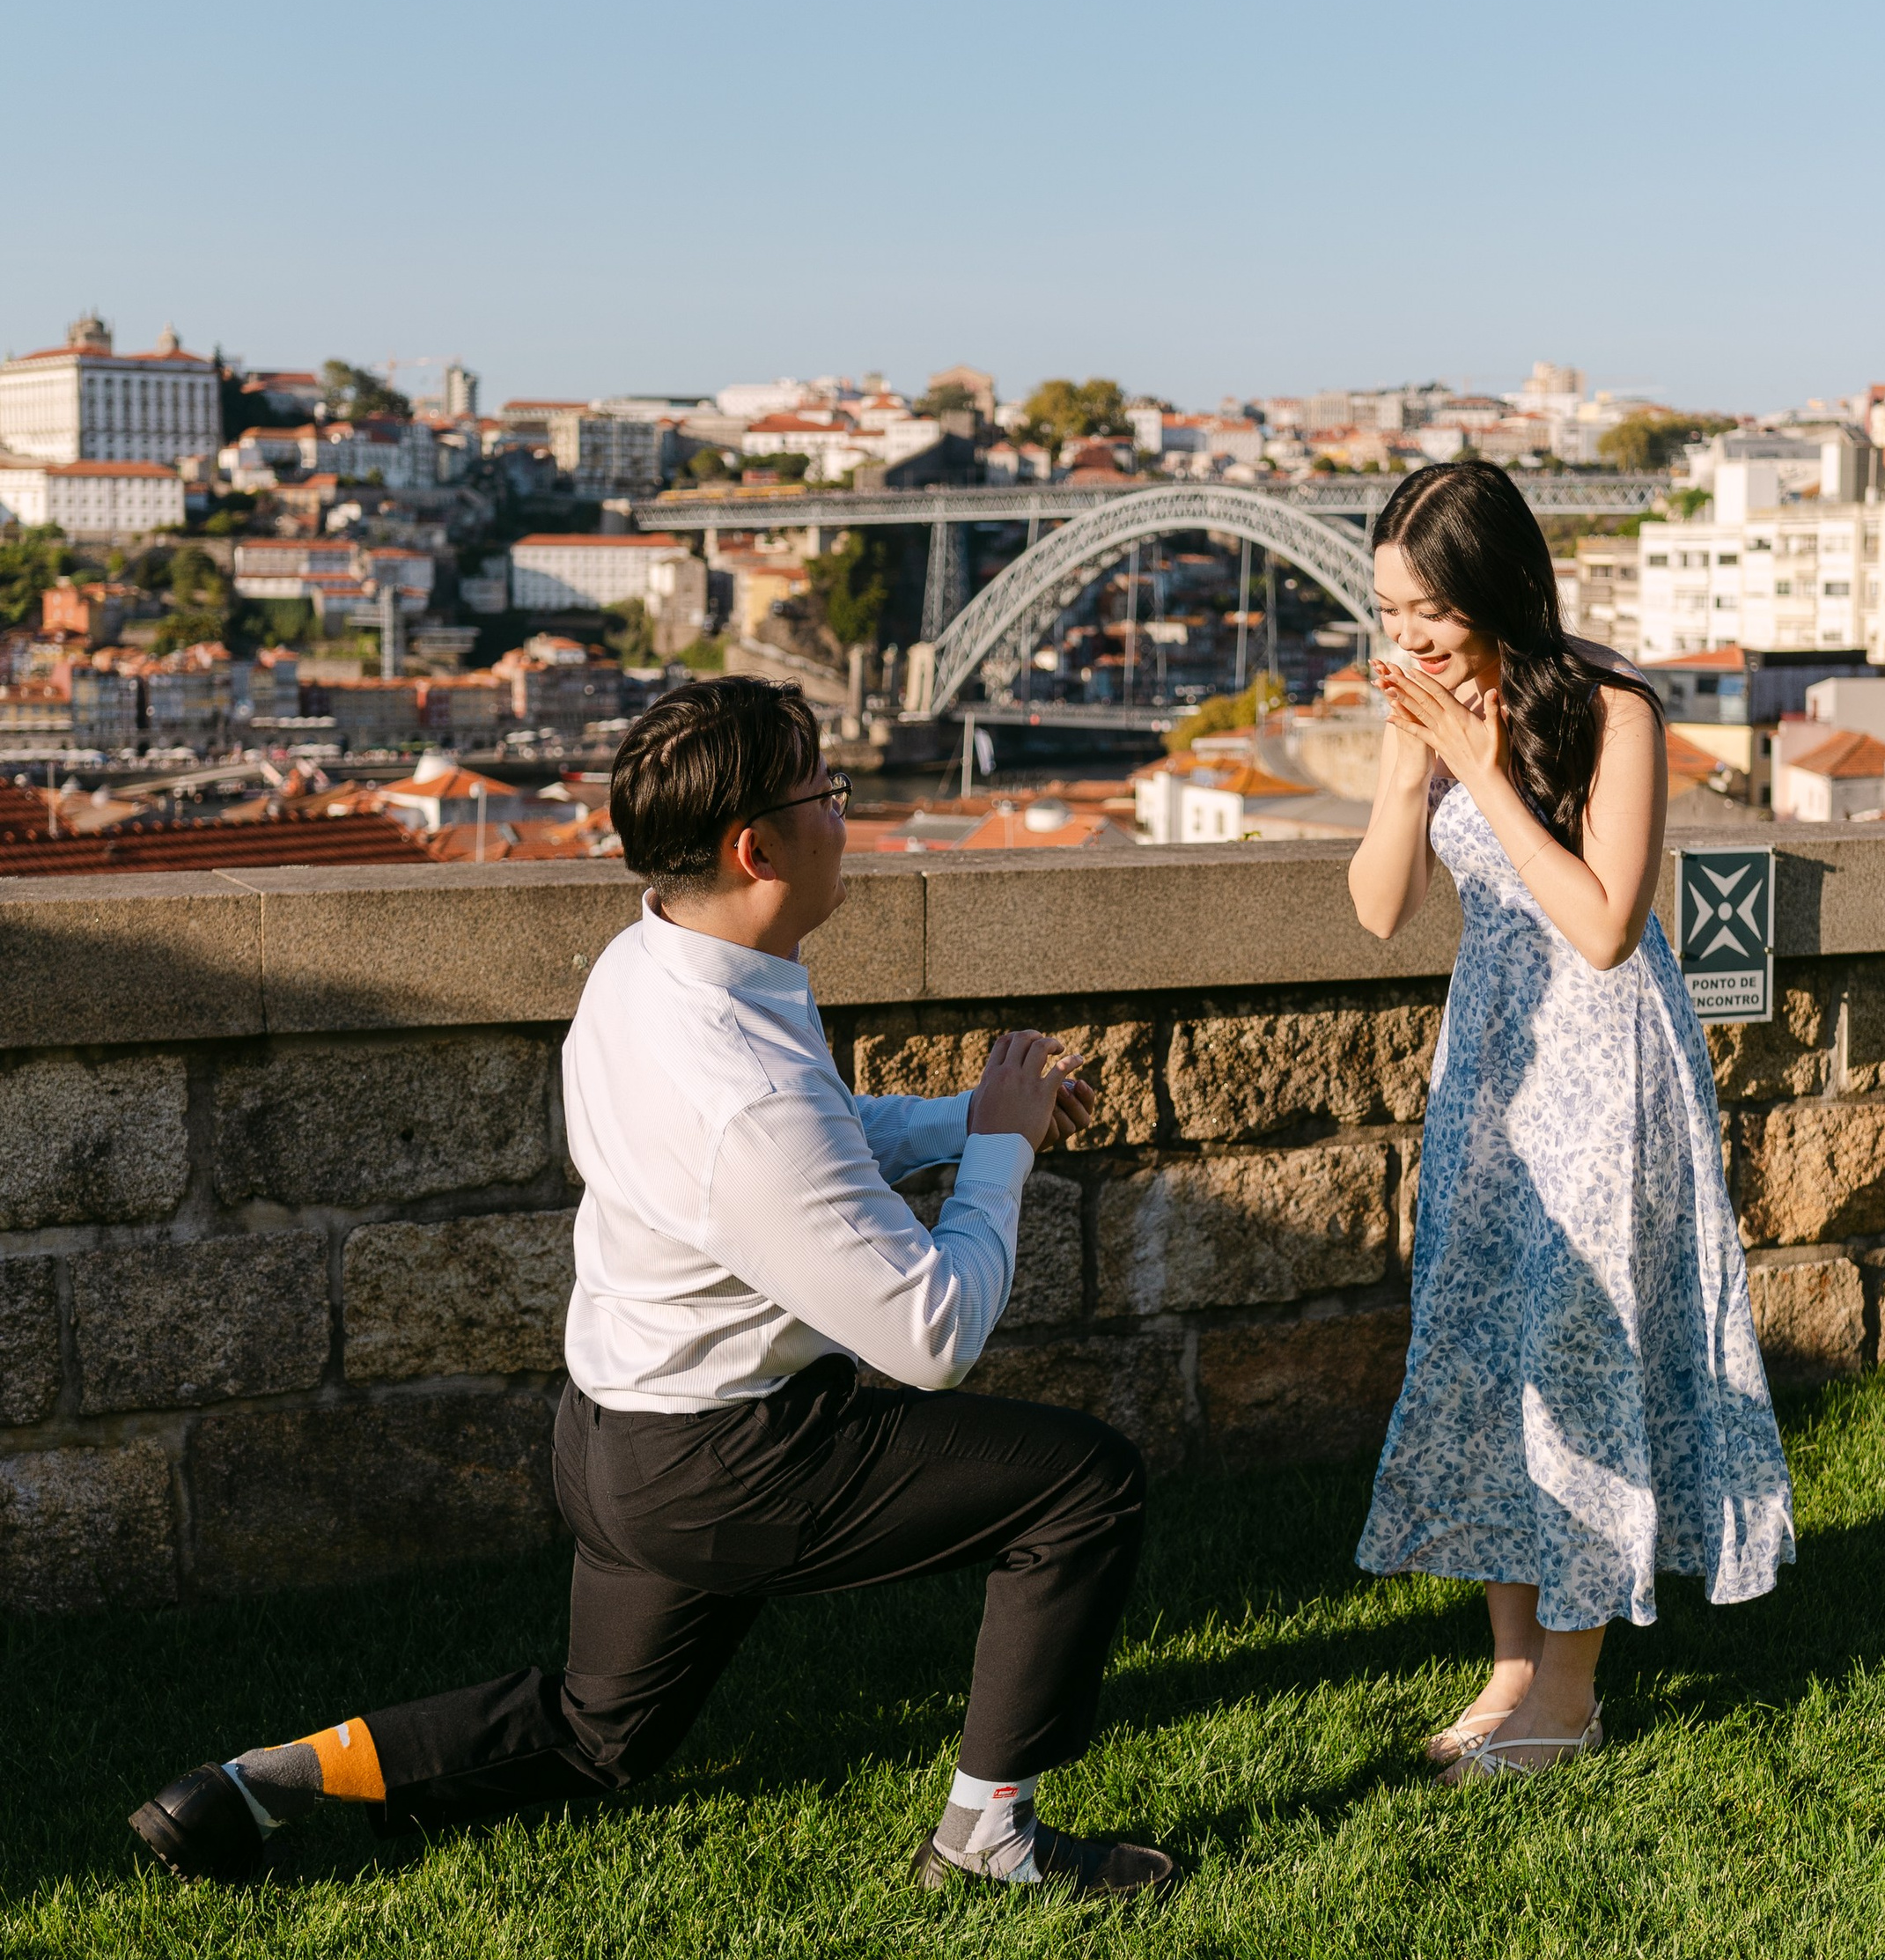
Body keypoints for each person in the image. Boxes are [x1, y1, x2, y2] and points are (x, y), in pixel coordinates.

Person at [129, 677, 1177, 1900]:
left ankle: (252, 1786)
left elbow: (810, 1147)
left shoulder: (654, 960)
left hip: (617, 1440)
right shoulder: (743, 1084)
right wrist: (1002, 1151)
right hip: (731, 1464)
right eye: (830, 794)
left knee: (595, 1739)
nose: (850, 816)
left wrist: (966, 1117)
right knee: (1083, 1488)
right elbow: (932, 1332)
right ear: (757, 847)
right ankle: (988, 1842)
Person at [1347, 461, 1794, 1784]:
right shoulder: (1423, 712)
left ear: (1493, 587)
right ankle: (1508, 1668)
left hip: (1605, 1061)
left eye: (1428, 609)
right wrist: (1399, 767)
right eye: (1388, 610)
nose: (1408, 637)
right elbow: (1379, 910)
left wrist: (1481, 772)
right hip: (1492, 1056)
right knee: (1484, 1339)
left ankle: (1571, 1692)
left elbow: (1604, 927)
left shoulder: (1614, 712)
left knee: (1584, 1341)